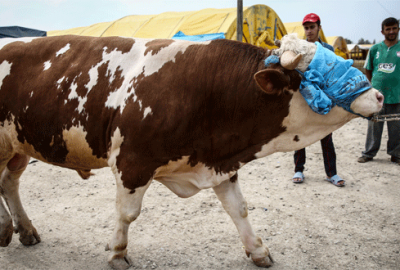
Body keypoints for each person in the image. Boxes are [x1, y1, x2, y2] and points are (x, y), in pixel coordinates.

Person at [292, 13, 345, 187]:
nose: (309, 31)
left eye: (312, 27)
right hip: (303, 98)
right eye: (306, 28)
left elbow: (334, 73)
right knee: (300, 134)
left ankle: (332, 173)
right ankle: (298, 170)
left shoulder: (328, 50)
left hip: (323, 98)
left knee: (326, 135)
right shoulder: (298, 49)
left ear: (319, 28)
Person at [358, 17, 400, 165]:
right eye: (388, 29)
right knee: (374, 125)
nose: (391, 31)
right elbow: (368, 69)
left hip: (397, 95)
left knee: (396, 127)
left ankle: (396, 154)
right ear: (382, 31)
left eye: (394, 28)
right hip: (377, 96)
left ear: (398, 29)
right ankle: (369, 153)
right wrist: (372, 87)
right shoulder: (375, 49)